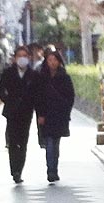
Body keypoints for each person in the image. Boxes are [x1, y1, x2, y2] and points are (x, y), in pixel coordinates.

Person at [0, 46, 39, 183]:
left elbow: (38, 93)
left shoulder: (33, 74)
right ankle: (14, 169)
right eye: (19, 55)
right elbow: (0, 88)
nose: (22, 58)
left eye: (24, 55)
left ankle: (19, 169)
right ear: (15, 58)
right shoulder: (8, 72)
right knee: (13, 141)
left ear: (29, 57)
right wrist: (7, 99)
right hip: (12, 111)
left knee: (23, 141)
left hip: (26, 112)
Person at [35, 51, 75, 183]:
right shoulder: (41, 77)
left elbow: (70, 96)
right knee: (49, 143)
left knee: (55, 143)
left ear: (59, 61)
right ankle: (50, 171)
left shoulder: (65, 77)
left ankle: (54, 169)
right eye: (49, 60)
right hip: (46, 115)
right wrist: (40, 114)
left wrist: (66, 111)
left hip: (59, 115)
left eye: (54, 60)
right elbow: (38, 97)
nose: (52, 62)